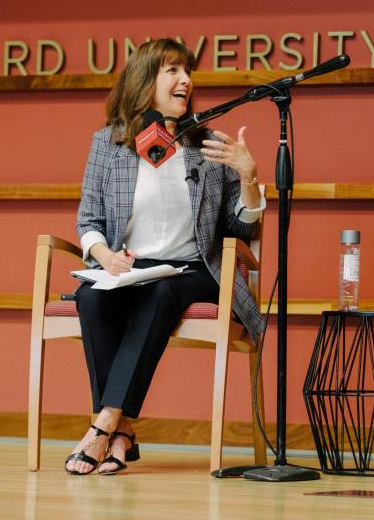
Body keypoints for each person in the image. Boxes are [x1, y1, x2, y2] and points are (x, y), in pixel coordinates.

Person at [63, 38, 267, 475]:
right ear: (145, 81)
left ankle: (103, 424)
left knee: (161, 295)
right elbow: (88, 218)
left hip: (195, 270)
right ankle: (123, 434)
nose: (186, 80)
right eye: (172, 70)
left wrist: (248, 176)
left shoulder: (208, 143)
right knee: (92, 299)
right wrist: (105, 256)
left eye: (187, 72)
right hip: (130, 268)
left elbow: (243, 228)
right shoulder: (109, 143)